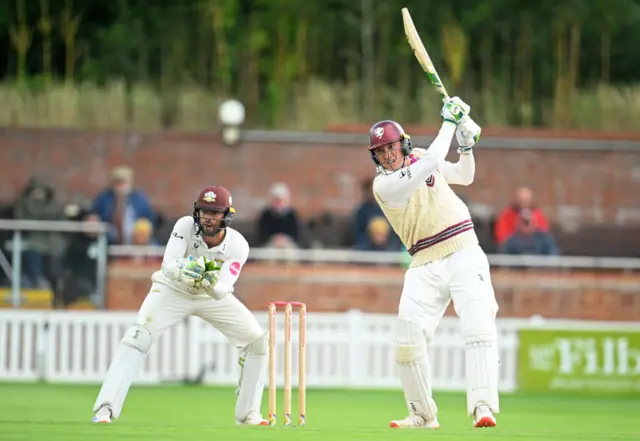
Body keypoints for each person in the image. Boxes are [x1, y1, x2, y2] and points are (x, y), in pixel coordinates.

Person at [368, 97, 499, 429]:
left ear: (403, 144)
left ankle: (482, 405)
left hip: (463, 250)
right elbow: (428, 166)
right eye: (381, 151)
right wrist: (450, 124)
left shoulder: (424, 155)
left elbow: (463, 176)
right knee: (407, 339)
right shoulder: (383, 185)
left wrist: (467, 146)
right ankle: (422, 414)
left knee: (477, 325)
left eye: (392, 147)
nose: (387, 155)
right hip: (423, 262)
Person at [92, 186, 269, 426]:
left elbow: (221, 289)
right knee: (137, 337)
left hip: (209, 296)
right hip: (172, 290)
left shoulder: (238, 245)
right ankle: (105, 409)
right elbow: (168, 266)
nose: (209, 217)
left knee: (256, 341)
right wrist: (190, 270)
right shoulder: (184, 225)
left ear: (227, 215)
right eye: (205, 211)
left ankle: (248, 414)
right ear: (197, 212)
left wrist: (207, 278)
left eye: (215, 213)